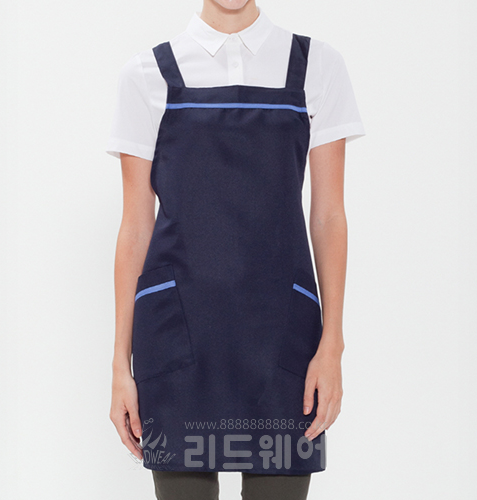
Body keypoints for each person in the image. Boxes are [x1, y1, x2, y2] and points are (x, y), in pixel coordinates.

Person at [106, 0, 365, 498]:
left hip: (284, 339)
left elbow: (329, 215)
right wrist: (121, 362)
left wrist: (332, 343)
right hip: (178, 337)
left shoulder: (317, 66)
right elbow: (135, 226)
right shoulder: (145, 75)